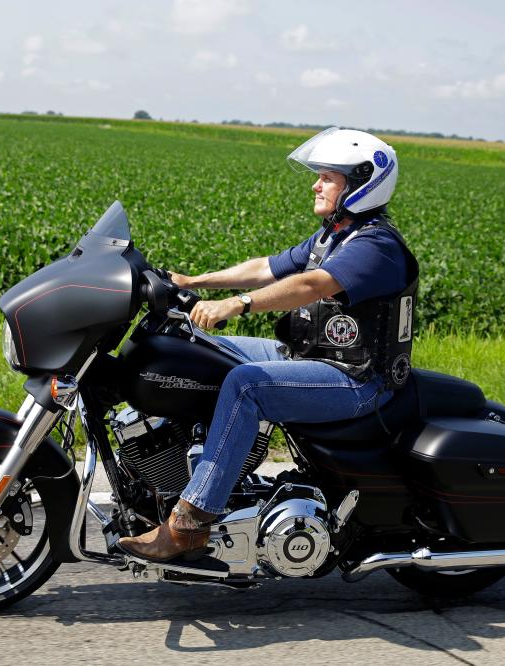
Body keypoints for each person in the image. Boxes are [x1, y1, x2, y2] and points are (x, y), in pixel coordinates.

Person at [118, 127, 418, 562]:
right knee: (201, 348)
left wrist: (236, 305)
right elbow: (267, 268)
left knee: (246, 385)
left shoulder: (376, 246)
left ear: (361, 183)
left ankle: (190, 522)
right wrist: (192, 282)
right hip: (309, 356)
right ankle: (178, 471)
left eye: (328, 178)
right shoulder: (333, 236)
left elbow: (312, 285)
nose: (316, 184)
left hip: (355, 379)